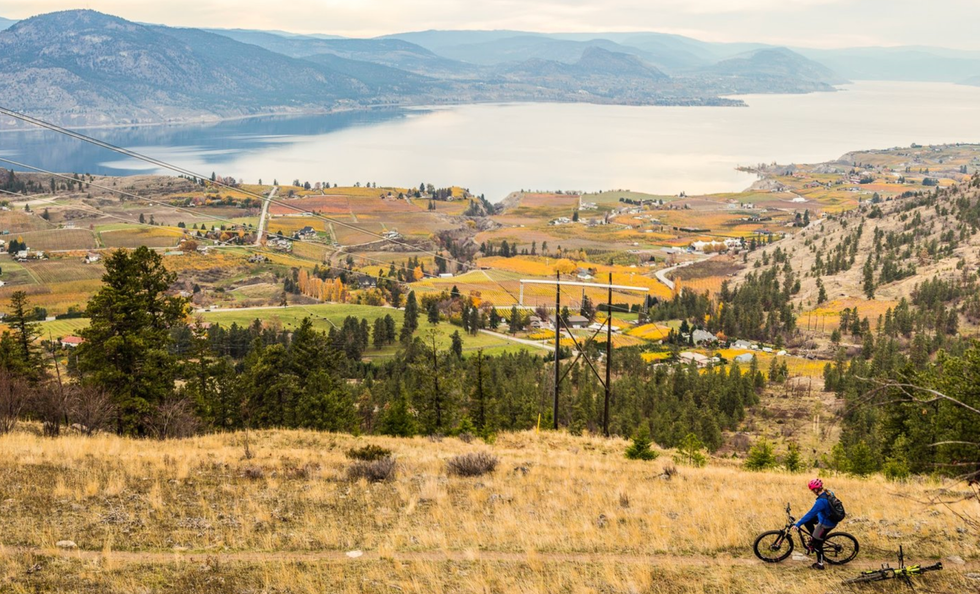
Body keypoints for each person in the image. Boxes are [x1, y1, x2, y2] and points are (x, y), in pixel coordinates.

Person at [794, 478, 837, 570]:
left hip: (827, 523)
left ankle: (820, 564)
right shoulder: (828, 492)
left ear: (816, 489)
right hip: (824, 516)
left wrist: (798, 524)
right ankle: (814, 536)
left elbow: (811, 513)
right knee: (808, 522)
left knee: (817, 544)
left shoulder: (821, 501)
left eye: (812, 490)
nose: (812, 491)